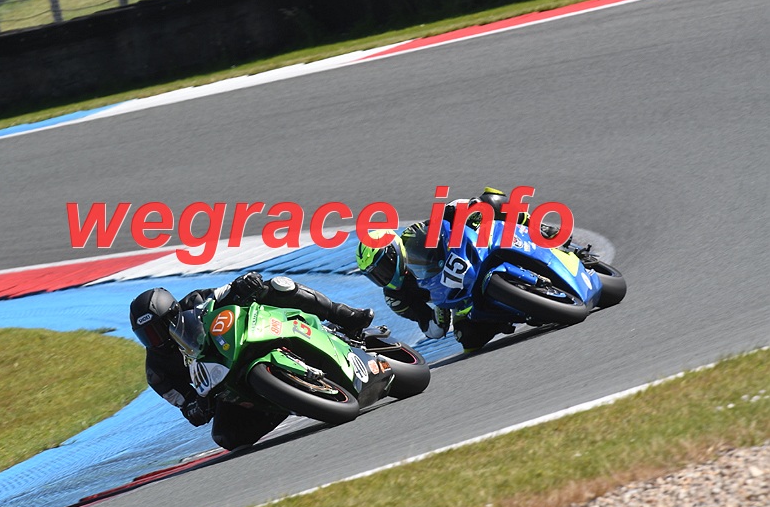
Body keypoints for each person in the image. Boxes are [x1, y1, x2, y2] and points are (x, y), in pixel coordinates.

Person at [128, 272, 374, 450]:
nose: (155, 340)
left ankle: (341, 314)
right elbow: (187, 407)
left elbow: (224, 292)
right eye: (146, 336)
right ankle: (287, 399)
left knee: (276, 286)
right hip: (228, 384)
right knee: (226, 437)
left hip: (245, 337)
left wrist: (244, 284)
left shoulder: (195, 302)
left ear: (173, 314)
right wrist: (197, 407)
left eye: (157, 330)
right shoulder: (157, 373)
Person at [355, 187, 562, 353]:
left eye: (383, 267)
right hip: (457, 297)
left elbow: (448, 212)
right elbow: (432, 330)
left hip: (468, 256)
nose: (383, 276)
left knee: (490, 200)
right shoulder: (395, 297)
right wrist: (440, 310)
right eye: (375, 276)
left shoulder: (413, 236)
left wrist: (470, 210)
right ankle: (514, 312)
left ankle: (537, 227)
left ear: (394, 251)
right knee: (468, 339)